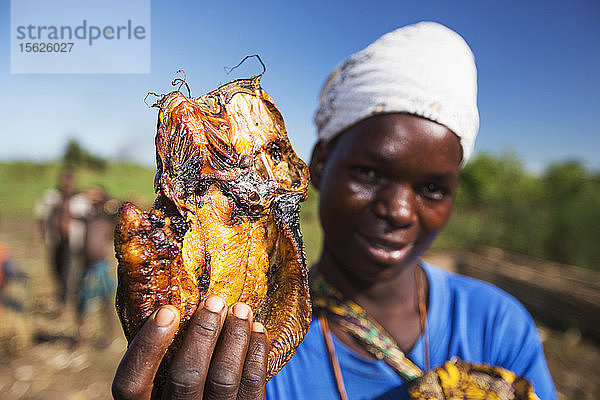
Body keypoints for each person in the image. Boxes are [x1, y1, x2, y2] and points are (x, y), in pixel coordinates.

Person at [111, 22, 557, 400]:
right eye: (369, 173)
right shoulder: (248, 350)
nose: (399, 210)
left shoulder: (496, 327)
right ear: (315, 167)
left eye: (432, 188)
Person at [35, 170, 88, 313]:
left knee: (67, 269)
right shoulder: (51, 197)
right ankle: (62, 295)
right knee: (56, 268)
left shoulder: (80, 199)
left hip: (72, 240)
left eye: (70, 180)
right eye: (65, 180)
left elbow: (87, 219)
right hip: (55, 239)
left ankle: (64, 301)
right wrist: (39, 237)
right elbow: (41, 217)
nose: (67, 183)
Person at [75, 185, 120, 347]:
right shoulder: (88, 216)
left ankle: (108, 336)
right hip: (87, 267)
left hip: (101, 267)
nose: (92, 198)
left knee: (106, 301)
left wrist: (103, 199)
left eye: (96, 195)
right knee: (83, 301)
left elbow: (119, 205)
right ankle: (81, 336)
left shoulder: (106, 216)